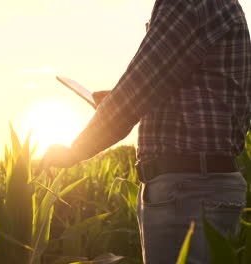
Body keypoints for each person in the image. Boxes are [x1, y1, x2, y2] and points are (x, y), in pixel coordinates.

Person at [39, 0, 251, 263]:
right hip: (204, 185)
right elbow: (190, 90)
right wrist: (117, 100)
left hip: (187, 191)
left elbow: (138, 90)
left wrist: (75, 151)